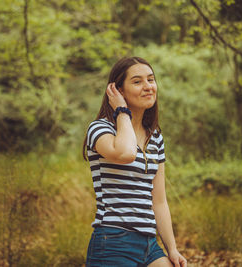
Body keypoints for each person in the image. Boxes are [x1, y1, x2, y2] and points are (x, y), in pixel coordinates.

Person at [83, 57, 187, 267]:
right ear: (118, 91)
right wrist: (122, 111)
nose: (148, 87)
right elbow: (126, 153)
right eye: (138, 81)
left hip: (149, 244)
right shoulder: (100, 129)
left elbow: (159, 200)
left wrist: (172, 249)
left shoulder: (155, 137)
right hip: (113, 241)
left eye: (151, 79)